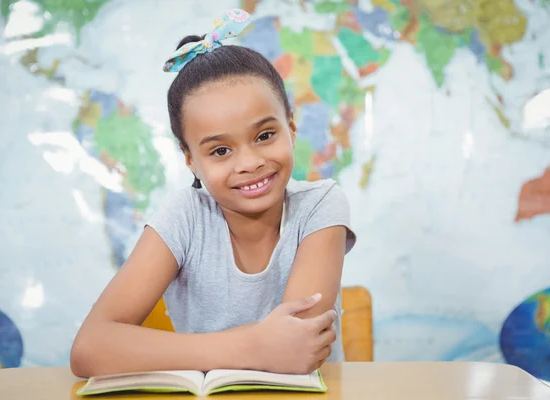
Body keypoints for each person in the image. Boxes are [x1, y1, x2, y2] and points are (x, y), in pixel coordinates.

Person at [70, 8, 356, 378]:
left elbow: (299, 346)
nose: (250, 162)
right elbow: (89, 349)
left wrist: (203, 351)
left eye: (265, 135)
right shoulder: (184, 216)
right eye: (220, 151)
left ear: (291, 129)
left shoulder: (320, 204)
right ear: (190, 160)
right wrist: (253, 346)